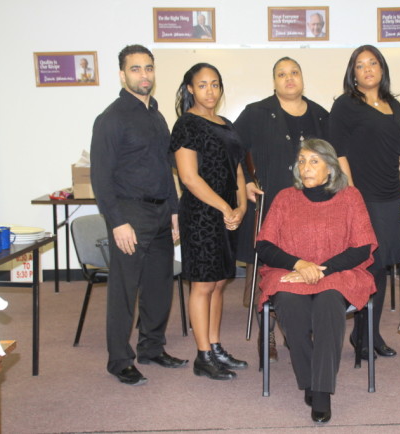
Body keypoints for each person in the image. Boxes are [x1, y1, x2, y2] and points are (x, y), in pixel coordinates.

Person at [234, 57, 351, 362]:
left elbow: (335, 160)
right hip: (272, 206)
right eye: (282, 74)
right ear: (274, 82)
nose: (289, 79)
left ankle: (301, 332)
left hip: (314, 213)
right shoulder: (256, 113)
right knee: (269, 272)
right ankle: (268, 335)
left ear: (302, 78)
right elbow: (231, 149)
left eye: (294, 73)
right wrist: (245, 180)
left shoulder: (320, 116)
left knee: (308, 270)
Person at [256, 139, 377, 423]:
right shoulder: (285, 197)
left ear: (330, 168)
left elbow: (362, 247)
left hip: (337, 273)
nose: (305, 167)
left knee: (327, 304)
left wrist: (322, 269)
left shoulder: (350, 197)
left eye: (314, 161)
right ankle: (310, 379)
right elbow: (264, 245)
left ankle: (320, 391)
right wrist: (299, 264)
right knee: (288, 302)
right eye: (301, 161)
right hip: (291, 272)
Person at [90, 44, 188, 386]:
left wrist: (175, 211)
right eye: (135, 69)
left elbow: (166, 168)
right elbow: (100, 177)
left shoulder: (157, 116)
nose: (143, 74)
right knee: (124, 290)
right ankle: (119, 360)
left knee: (160, 286)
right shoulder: (111, 118)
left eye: (148, 68)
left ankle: (151, 347)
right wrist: (117, 221)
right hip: (130, 212)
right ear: (122, 74)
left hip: (162, 212)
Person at [330, 45, 400, 360]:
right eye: (360, 65)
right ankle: (362, 335)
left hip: (389, 196)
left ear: (382, 68)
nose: (367, 69)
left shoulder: (394, 105)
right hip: (360, 196)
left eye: (373, 63)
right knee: (365, 265)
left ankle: (368, 333)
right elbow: (338, 153)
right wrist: (352, 195)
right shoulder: (344, 105)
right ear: (352, 73)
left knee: (380, 267)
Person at [171, 63, 248, 381]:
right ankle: (202, 355)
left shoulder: (226, 124)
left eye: (215, 84)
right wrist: (223, 207)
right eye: (202, 85)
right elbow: (189, 178)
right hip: (201, 216)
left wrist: (241, 206)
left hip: (228, 216)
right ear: (190, 89)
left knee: (218, 284)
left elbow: (239, 170)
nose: (210, 91)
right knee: (202, 285)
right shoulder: (186, 124)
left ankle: (215, 347)